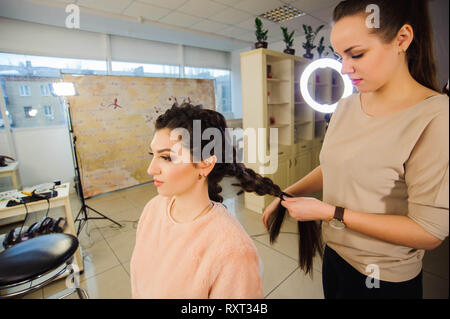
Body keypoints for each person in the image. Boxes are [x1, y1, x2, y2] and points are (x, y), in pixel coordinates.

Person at [263, 0, 448, 298]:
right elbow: (337, 164)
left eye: (356, 54)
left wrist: (330, 212)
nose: (344, 68)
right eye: (339, 56)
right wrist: (289, 192)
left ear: (402, 39)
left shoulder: (435, 117)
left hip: (383, 276)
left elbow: (427, 233)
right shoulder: (346, 105)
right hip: (336, 255)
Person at [131, 103, 293, 298]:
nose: (151, 169)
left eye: (166, 157)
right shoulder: (153, 209)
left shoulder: (233, 251)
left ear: (205, 164)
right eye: (153, 155)